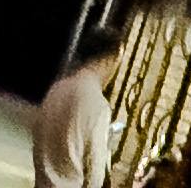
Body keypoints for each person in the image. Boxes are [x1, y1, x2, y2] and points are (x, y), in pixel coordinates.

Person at [33, 16, 123, 188]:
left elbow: (38, 142)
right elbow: (95, 174)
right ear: (107, 61)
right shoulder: (98, 105)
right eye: (117, 63)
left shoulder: (57, 89)